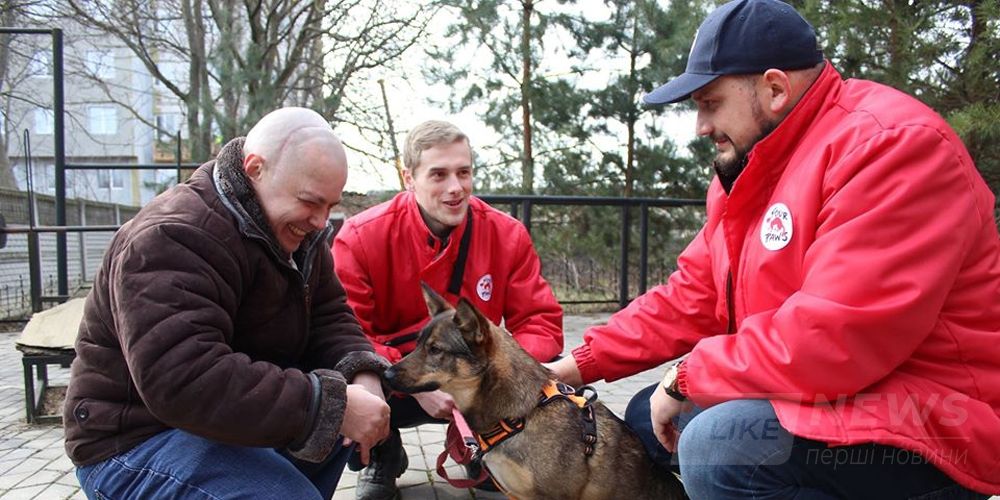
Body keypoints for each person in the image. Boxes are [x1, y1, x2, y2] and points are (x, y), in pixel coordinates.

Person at [548, 0, 1000, 498]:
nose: (700, 126)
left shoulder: (891, 146)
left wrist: (686, 377)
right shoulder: (751, 170)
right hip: (842, 394)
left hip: (933, 420)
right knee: (643, 419)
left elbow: (835, 337)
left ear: (776, 88)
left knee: (718, 445)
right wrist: (572, 367)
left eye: (710, 103)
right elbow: (692, 296)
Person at [64, 107, 392, 500]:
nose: (322, 222)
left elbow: (329, 315)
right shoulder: (173, 235)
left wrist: (362, 373)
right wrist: (330, 404)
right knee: (317, 439)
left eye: (330, 205)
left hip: (215, 424)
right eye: (311, 201)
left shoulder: (297, 230)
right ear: (255, 168)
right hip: (134, 439)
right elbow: (183, 378)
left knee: (337, 426)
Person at [333, 119, 564, 499]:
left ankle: (485, 446)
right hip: (399, 376)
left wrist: (491, 375)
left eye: (464, 172)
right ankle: (381, 453)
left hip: (477, 380)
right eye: (438, 175)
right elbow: (347, 333)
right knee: (347, 377)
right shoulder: (359, 238)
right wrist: (421, 383)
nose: (456, 188)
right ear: (408, 177)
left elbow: (541, 323)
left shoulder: (507, 234)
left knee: (542, 380)